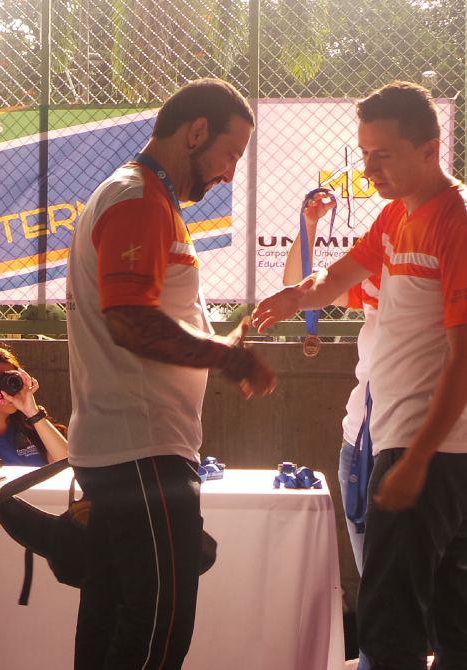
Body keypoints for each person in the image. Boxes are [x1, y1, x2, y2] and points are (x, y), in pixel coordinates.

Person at [253, 80, 467, 670]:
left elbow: (463, 357)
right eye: (364, 154)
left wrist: (417, 459)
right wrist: (292, 298)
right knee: (450, 621)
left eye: (384, 155)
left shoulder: (455, 219)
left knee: (391, 626)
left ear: (431, 147)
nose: (369, 169)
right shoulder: (398, 215)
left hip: (431, 451)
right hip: (408, 445)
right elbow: (340, 276)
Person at [65, 78, 275, 670]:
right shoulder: (136, 198)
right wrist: (227, 358)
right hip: (142, 455)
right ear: (197, 131)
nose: (231, 173)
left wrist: (221, 341)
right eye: (230, 154)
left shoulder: (145, 200)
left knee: (111, 623)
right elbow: (130, 321)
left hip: (133, 451)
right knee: (157, 629)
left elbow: (148, 319)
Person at [281, 192, 382, 573]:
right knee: (376, 584)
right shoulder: (379, 261)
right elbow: (298, 285)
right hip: (362, 442)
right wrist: (310, 227)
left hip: (425, 446)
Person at [0, 345, 68, 465]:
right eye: (0, 382)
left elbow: (67, 465)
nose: (9, 388)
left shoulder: (32, 429)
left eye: (12, 380)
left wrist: (33, 413)